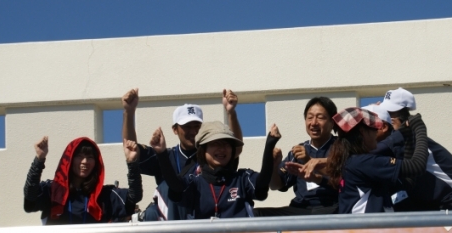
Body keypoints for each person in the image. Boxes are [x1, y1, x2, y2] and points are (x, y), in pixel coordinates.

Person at [121, 88, 243, 220]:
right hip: (171, 224)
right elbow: (131, 148)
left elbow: (235, 149)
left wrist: (231, 113)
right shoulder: (165, 155)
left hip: (203, 219)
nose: (193, 131)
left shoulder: (211, 155)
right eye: (187, 127)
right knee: (161, 195)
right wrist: (129, 112)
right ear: (175, 130)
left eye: (197, 126)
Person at [377, 87, 452, 210]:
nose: (387, 117)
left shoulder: (413, 139)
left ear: (404, 115)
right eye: (385, 112)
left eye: (391, 113)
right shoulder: (399, 141)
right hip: (439, 204)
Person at [150, 121, 282, 219]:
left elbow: (262, 183)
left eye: (226, 144)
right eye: (215, 143)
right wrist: (161, 154)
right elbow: (175, 185)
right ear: (203, 150)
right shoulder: (195, 182)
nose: (222, 149)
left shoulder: (242, 178)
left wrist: (269, 145)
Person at [327, 107, 428, 214]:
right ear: (362, 132)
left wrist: (407, 137)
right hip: (366, 224)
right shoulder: (364, 163)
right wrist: (420, 128)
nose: (376, 132)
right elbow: (417, 166)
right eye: (374, 128)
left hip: (365, 224)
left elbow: (407, 182)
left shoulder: (352, 161)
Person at [23, 136, 142, 225]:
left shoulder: (105, 194)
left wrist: (132, 163)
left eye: (90, 157)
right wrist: (39, 159)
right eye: (79, 156)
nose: (85, 161)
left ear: (96, 163)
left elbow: (134, 196)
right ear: (69, 160)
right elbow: (30, 197)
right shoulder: (53, 190)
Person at [254, 97, 340, 216]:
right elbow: (276, 185)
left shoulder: (342, 146)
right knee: (256, 214)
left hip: (333, 207)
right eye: (310, 117)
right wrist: (273, 166)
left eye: (320, 117)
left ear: (332, 122)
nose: (314, 123)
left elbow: (343, 176)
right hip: (301, 208)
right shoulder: (298, 150)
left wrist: (308, 160)